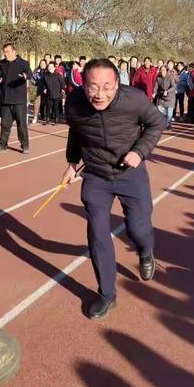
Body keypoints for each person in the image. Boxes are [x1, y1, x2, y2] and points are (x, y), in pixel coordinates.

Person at [62, 58, 165, 320]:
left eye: (107, 87)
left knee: (138, 228)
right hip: (96, 176)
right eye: (93, 87)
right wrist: (72, 163)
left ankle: (145, 251)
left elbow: (157, 123)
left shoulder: (135, 99)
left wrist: (139, 152)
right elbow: (77, 131)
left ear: (117, 84)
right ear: (83, 85)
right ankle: (107, 295)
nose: (100, 94)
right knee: (97, 232)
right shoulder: (74, 102)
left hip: (130, 172)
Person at [0, 42, 32, 155]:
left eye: (8, 52)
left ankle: (25, 145)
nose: (6, 54)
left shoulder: (23, 63)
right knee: (5, 124)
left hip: (19, 100)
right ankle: (2, 145)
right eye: (4, 52)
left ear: (14, 51)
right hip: (6, 99)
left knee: (21, 125)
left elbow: (29, 73)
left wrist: (25, 76)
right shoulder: (2, 63)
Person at [43, 61, 65, 125]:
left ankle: (56, 120)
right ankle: (47, 120)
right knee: (48, 107)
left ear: (54, 68)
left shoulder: (58, 75)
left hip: (57, 94)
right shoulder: (45, 75)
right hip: (49, 94)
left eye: (52, 67)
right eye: (49, 67)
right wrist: (44, 89)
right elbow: (44, 84)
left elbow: (62, 83)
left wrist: (62, 89)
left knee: (56, 108)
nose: (50, 68)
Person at [31, 59, 47, 124]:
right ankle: (35, 117)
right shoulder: (36, 71)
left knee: (46, 103)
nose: (42, 65)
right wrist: (35, 83)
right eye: (41, 63)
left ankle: (46, 116)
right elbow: (32, 79)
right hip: (39, 89)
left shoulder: (48, 71)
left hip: (47, 89)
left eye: (44, 63)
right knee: (37, 103)